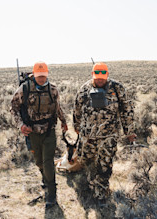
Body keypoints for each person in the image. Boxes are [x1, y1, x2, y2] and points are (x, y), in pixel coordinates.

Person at [73, 62, 136, 207]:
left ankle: (100, 194)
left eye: (103, 77)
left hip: (109, 136)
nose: (100, 80)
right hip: (88, 136)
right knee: (85, 161)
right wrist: (77, 127)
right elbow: (76, 109)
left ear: (107, 75)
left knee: (105, 165)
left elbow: (127, 110)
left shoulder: (117, 88)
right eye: (97, 77)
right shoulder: (84, 89)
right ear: (92, 75)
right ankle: (89, 186)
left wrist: (129, 132)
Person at [11, 61, 68, 209]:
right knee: (39, 162)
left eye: (43, 76)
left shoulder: (53, 90)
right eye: (39, 76)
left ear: (47, 74)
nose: (41, 79)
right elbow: (14, 108)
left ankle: (51, 193)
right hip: (32, 132)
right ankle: (46, 179)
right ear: (34, 75)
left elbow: (57, 107)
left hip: (49, 130)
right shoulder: (24, 89)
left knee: (48, 161)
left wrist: (63, 121)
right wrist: (21, 125)